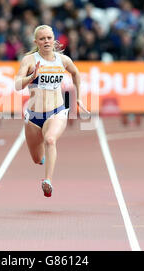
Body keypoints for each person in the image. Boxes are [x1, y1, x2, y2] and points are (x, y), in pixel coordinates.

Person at [15, 25, 89, 198]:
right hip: (34, 116)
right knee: (36, 158)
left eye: (49, 38)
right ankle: (43, 160)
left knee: (50, 140)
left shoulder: (63, 60)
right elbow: (17, 85)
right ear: (36, 42)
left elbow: (76, 74)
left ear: (54, 39)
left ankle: (47, 180)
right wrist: (31, 77)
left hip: (56, 111)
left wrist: (78, 97)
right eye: (42, 39)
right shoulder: (29, 60)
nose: (46, 41)